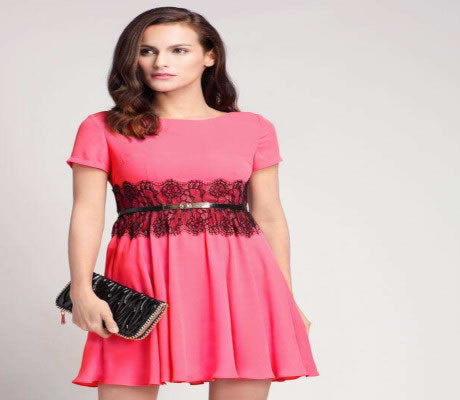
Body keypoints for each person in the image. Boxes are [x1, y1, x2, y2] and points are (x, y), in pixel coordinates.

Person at [65, 6, 319, 400]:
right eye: (147, 51)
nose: (160, 62)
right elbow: (87, 212)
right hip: (142, 280)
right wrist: (82, 290)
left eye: (178, 50)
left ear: (210, 56)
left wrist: (286, 298)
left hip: (241, 281)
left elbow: (269, 216)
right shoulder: (102, 127)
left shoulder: (252, 128)